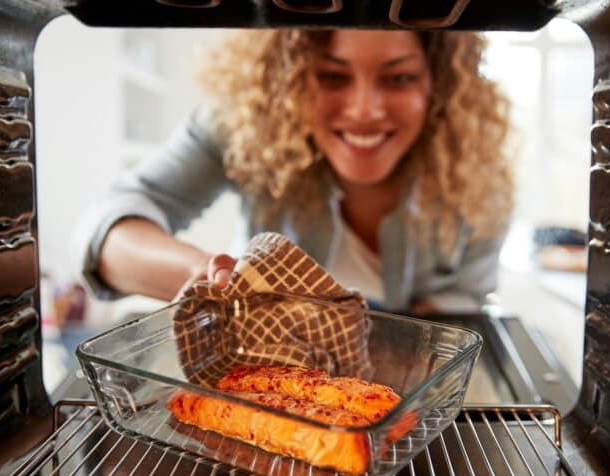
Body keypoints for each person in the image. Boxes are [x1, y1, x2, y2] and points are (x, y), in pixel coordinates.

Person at [72, 29, 512, 313]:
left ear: (437, 85)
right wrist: (213, 279)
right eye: (332, 77)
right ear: (289, 81)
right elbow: (104, 229)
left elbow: (464, 307)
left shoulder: (477, 178)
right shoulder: (244, 126)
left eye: (398, 79)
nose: (364, 110)